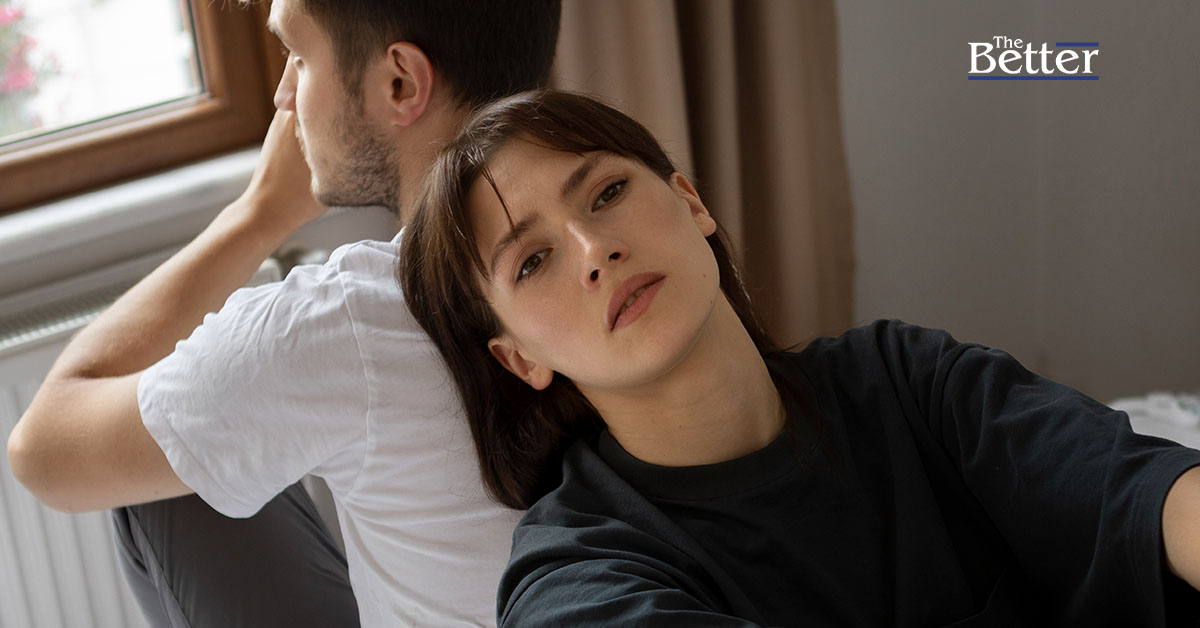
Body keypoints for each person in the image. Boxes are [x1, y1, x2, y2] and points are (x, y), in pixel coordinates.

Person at [398, 89, 1200, 627]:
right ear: (519, 360)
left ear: (691, 202)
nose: (593, 248)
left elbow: (1144, 492)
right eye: (533, 261)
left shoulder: (905, 379)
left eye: (606, 193)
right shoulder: (576, 582)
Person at [6, 1, 560, 626]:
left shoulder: (352, 321)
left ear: (400, 83)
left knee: (160, 468)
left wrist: (261, 211)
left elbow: (42, 452)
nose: (283, 96)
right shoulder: (615, 240)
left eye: (298, 56)